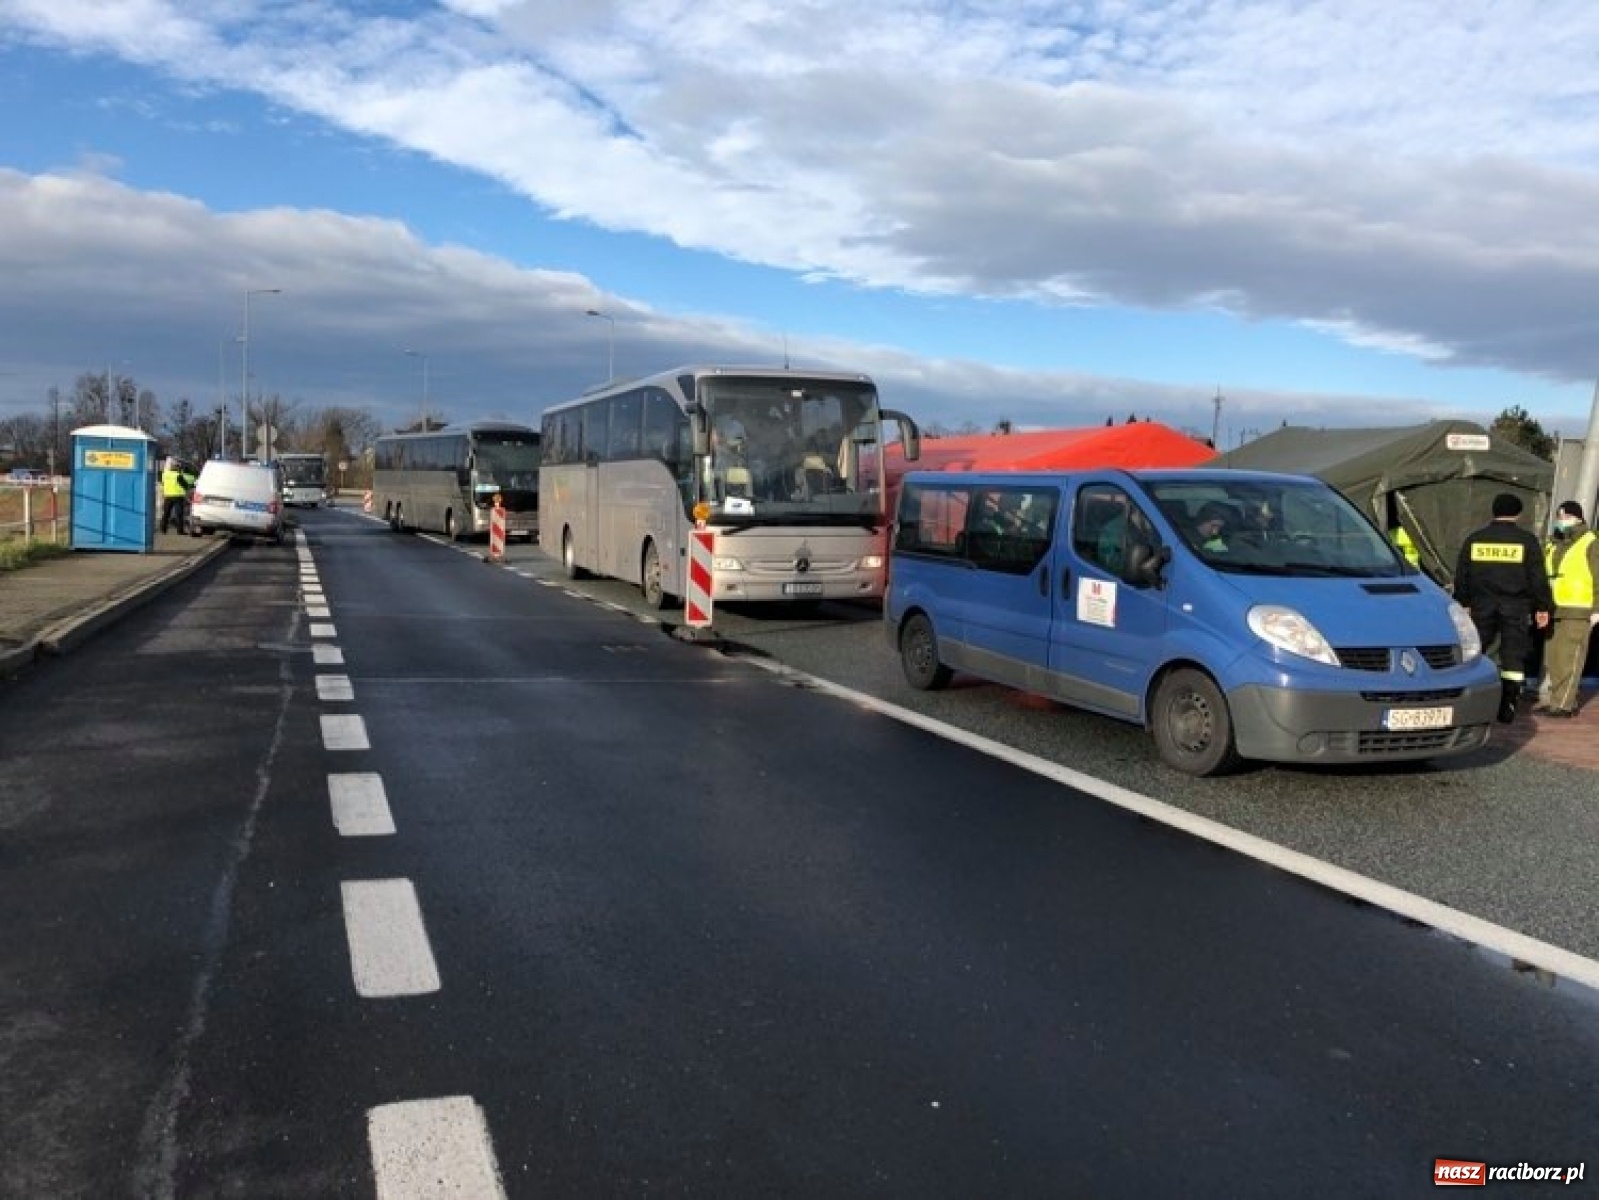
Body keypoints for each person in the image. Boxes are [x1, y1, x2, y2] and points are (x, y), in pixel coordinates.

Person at [1453, 492, 1553, 723]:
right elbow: (1537, 577)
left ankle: (1470, 701)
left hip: (1481, 605)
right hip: (1516, 606)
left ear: (1493, 511)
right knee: (1513, 657)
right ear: (1518, 513)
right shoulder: (1527, 541)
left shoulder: (1475, 539)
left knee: (1476, 651)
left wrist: (1464, 602)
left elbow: (1463, 575)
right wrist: (1542, 607)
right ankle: (1507, 707)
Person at [1540, 500, 1599, 717]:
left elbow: (1598, 577)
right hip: (1554, 609)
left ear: (1578, 518)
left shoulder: (1590, 542)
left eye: (1565, 517)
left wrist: (1596, 609)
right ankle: (1560, 700)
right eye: (1559, 517)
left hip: (1578, 610)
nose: (1561, 521)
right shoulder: (1553, 543)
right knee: (1554, 659)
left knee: (1569, 658)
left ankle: (1563, 705)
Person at [158, 457, 196, 535]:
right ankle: (180, 531)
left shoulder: (165, 474)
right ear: (176, 467)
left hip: (168, 496)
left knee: (166, 513)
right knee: (179, 514)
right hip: (178, 497)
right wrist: (189, 488)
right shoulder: (178, 475)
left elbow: (162, 482)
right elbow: (185, 485)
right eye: (178, 467)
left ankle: (163, 529)